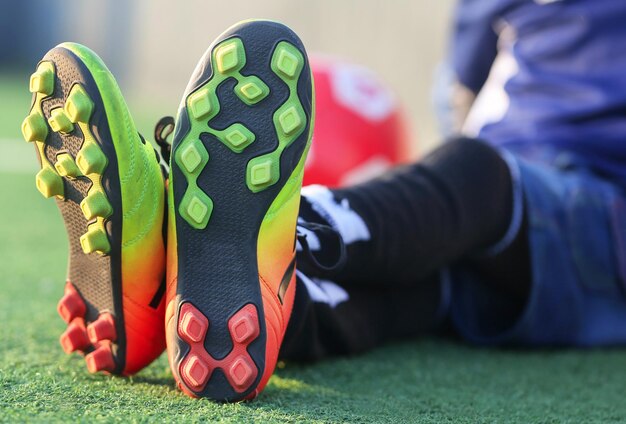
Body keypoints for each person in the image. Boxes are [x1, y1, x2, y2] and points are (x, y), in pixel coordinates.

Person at [22, 7, 626, 402]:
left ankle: (264, 244)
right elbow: (462, 83)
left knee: (476, 176)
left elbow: (463, 87)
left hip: (591, 205)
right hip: (519, 234)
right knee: (412, 293)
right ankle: (252, 300)